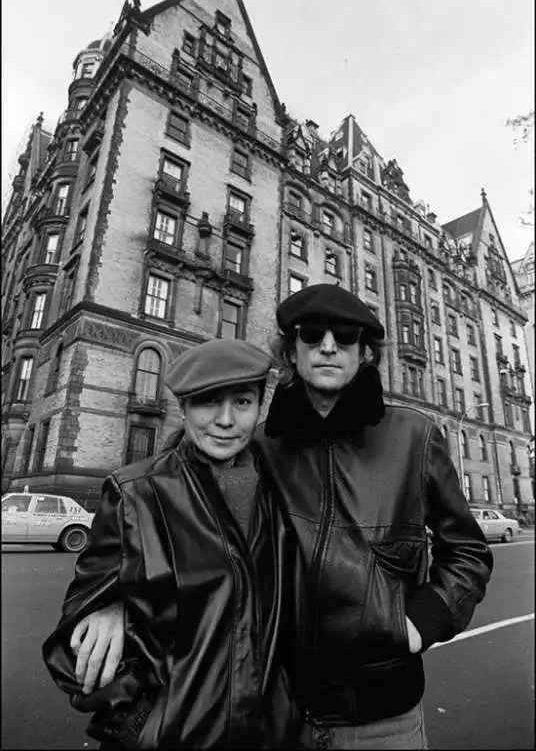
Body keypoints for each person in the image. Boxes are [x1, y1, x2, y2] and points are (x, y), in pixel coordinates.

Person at [65, 284, 494, 750]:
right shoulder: (260, 445)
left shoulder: (415, 435)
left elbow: (467, 551)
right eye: (312, 334)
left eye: (346, 336)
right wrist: (112, 600)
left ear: (366, 353)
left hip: (381, 715)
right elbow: (171, 505)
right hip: (280, 715)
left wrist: (421, 621)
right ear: (291, 350)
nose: (328, 346)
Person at [42, 338, 303, 750]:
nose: (225, 420)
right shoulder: (135, 493)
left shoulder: (281, 492)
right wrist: (143, 723)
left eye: (242, 402)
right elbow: (73, 642)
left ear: (259, 409)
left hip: (270, 733)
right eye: (207, 402)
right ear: (184, 408)